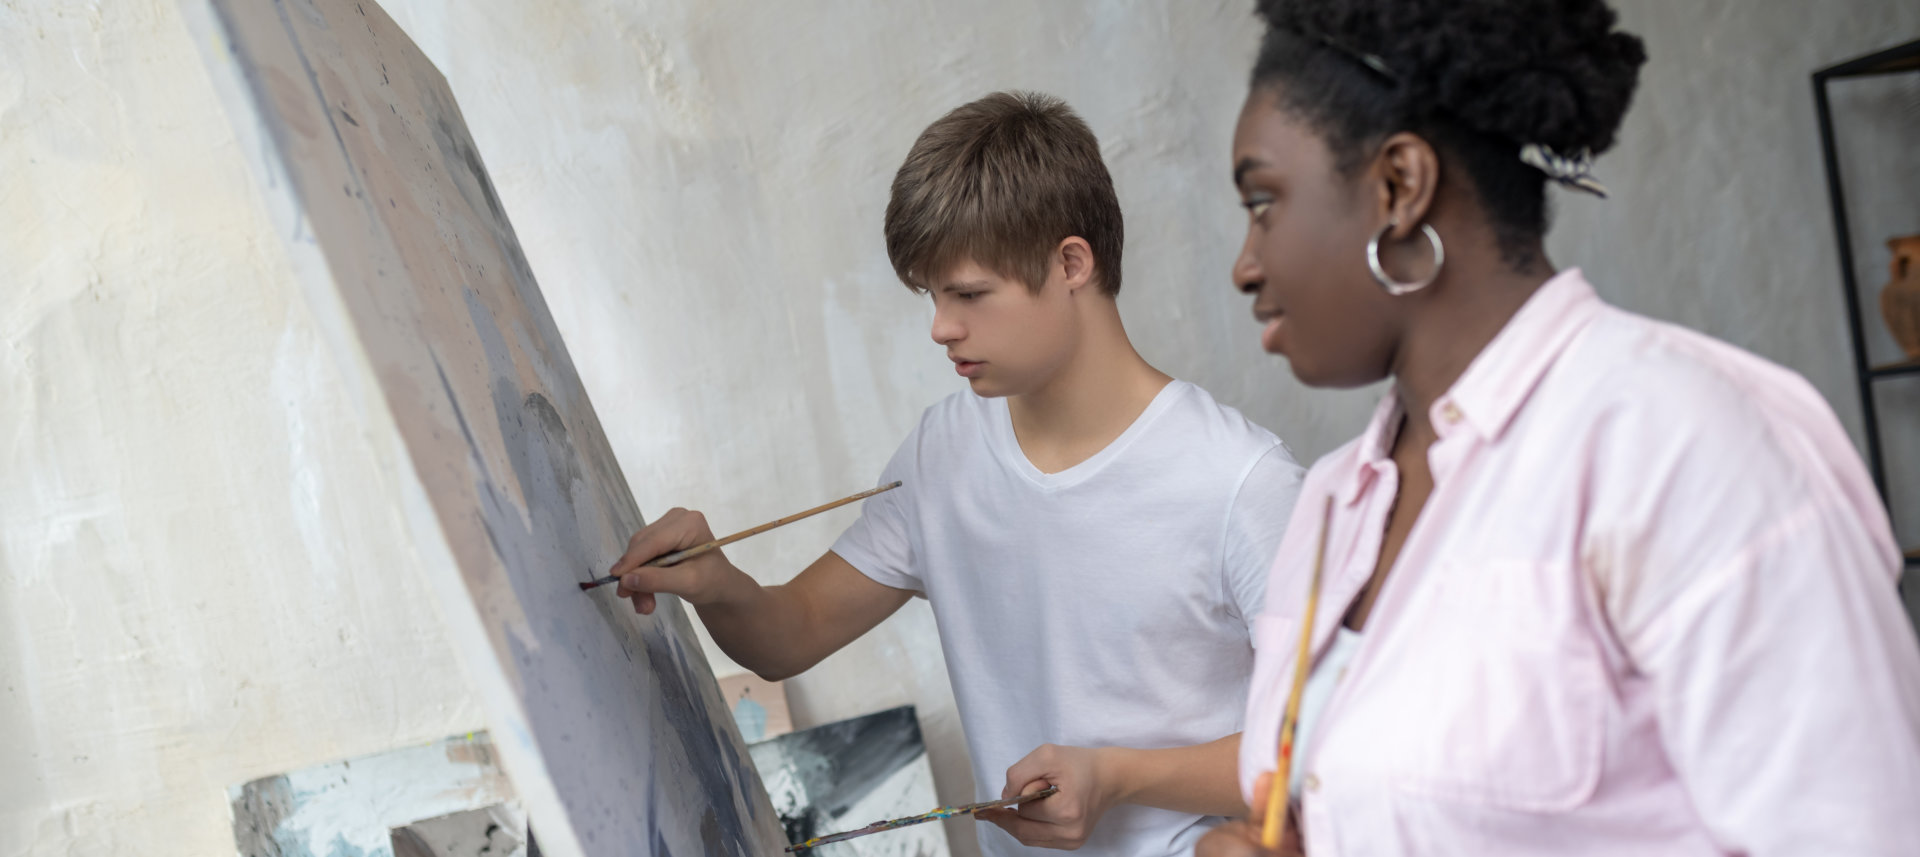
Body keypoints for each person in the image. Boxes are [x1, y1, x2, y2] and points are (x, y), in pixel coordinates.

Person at [1198, 1, 1920, 855]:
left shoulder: (1680, 443)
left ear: (1398, 186)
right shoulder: (1331, 504)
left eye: (1263, 201)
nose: (1246, 264)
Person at [610, 91, 1304, 856]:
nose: (941, 326)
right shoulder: (944, 450)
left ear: (1071, 263)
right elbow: (787, 636)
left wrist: (1117, 774)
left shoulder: (1243, 483)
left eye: (969, 294)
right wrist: (719, 581)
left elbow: (1322, 749)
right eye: (933, 295)